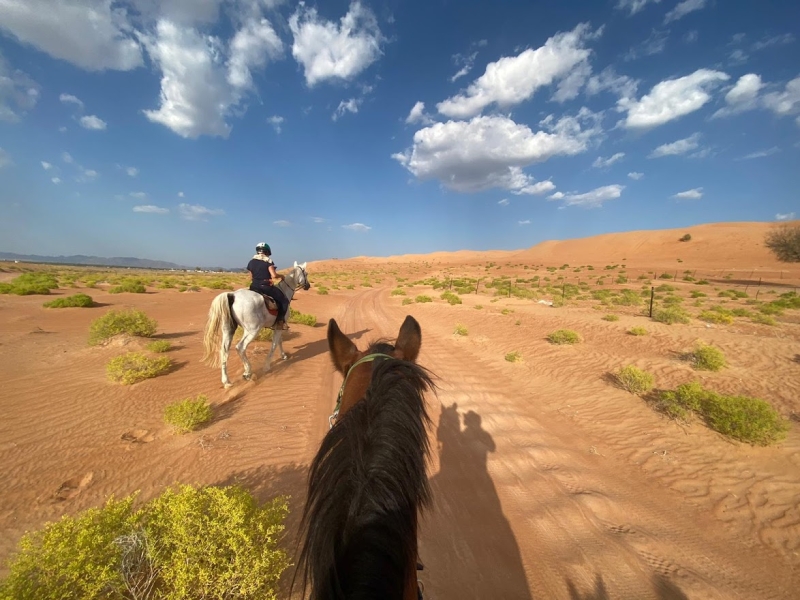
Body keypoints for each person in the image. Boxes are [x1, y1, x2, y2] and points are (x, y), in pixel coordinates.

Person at [247, 242, 289, 330]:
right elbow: (274, 275)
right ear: (267, 252)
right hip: (265, 287)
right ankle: (280, 322)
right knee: (284, 301)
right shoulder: (268, 261)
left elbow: (250, 277)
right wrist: (281, 276)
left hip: (254, 286)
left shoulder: (251, 262)